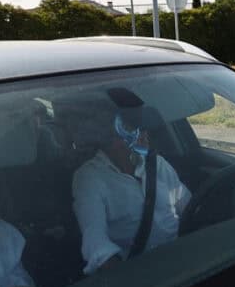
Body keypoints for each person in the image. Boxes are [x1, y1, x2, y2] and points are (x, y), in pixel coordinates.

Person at [71, 102, 192, 275]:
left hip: (182, 255)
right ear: (108, 138)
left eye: (142, 129)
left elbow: (188, 206)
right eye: (131, 130)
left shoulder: (157, 163)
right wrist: (120, 272)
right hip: (139, 270)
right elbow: (95, 241)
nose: (143, 135)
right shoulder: (89, 178)